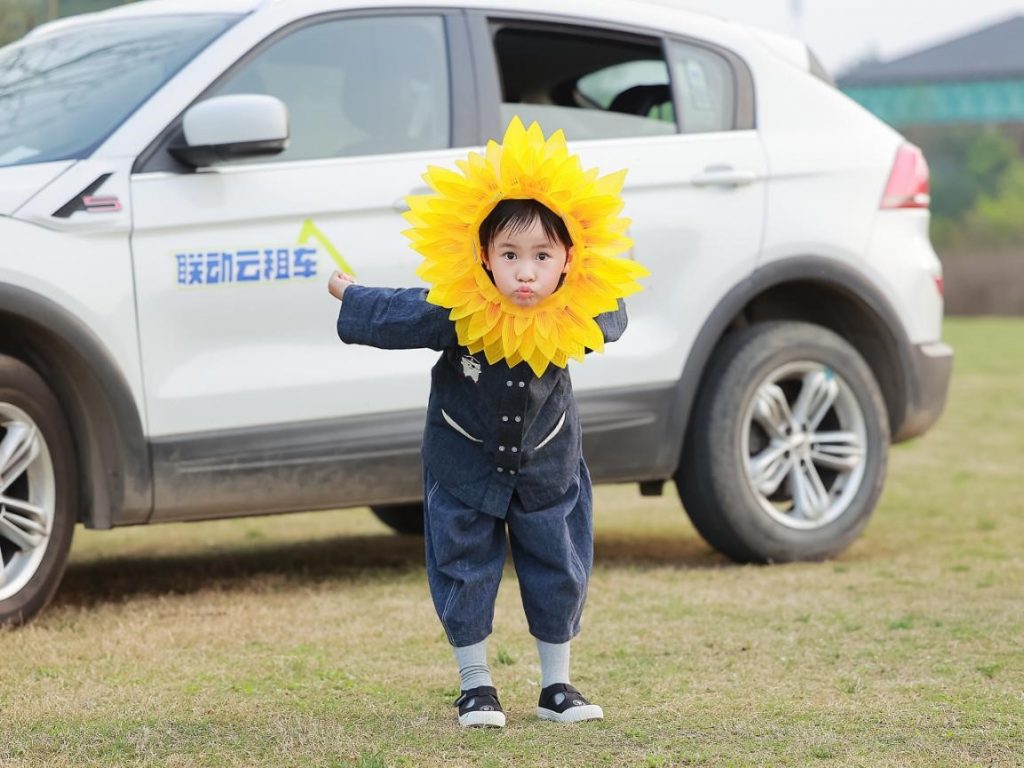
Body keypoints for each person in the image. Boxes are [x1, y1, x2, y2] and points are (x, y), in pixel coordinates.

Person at [328, 197, 629, 727]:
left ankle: (556, 686)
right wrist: (352, 294)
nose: (526, 273)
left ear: (569, 258)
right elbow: (401, 313)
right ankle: (476, 685)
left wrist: (591, 280)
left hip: (546, 464)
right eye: (509, 255)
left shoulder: (578, 307)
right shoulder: (458, 309)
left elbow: (614, 315)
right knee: (462, 563)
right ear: (484, 256)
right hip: (464, 460)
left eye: (543, 256)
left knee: (558, 564)